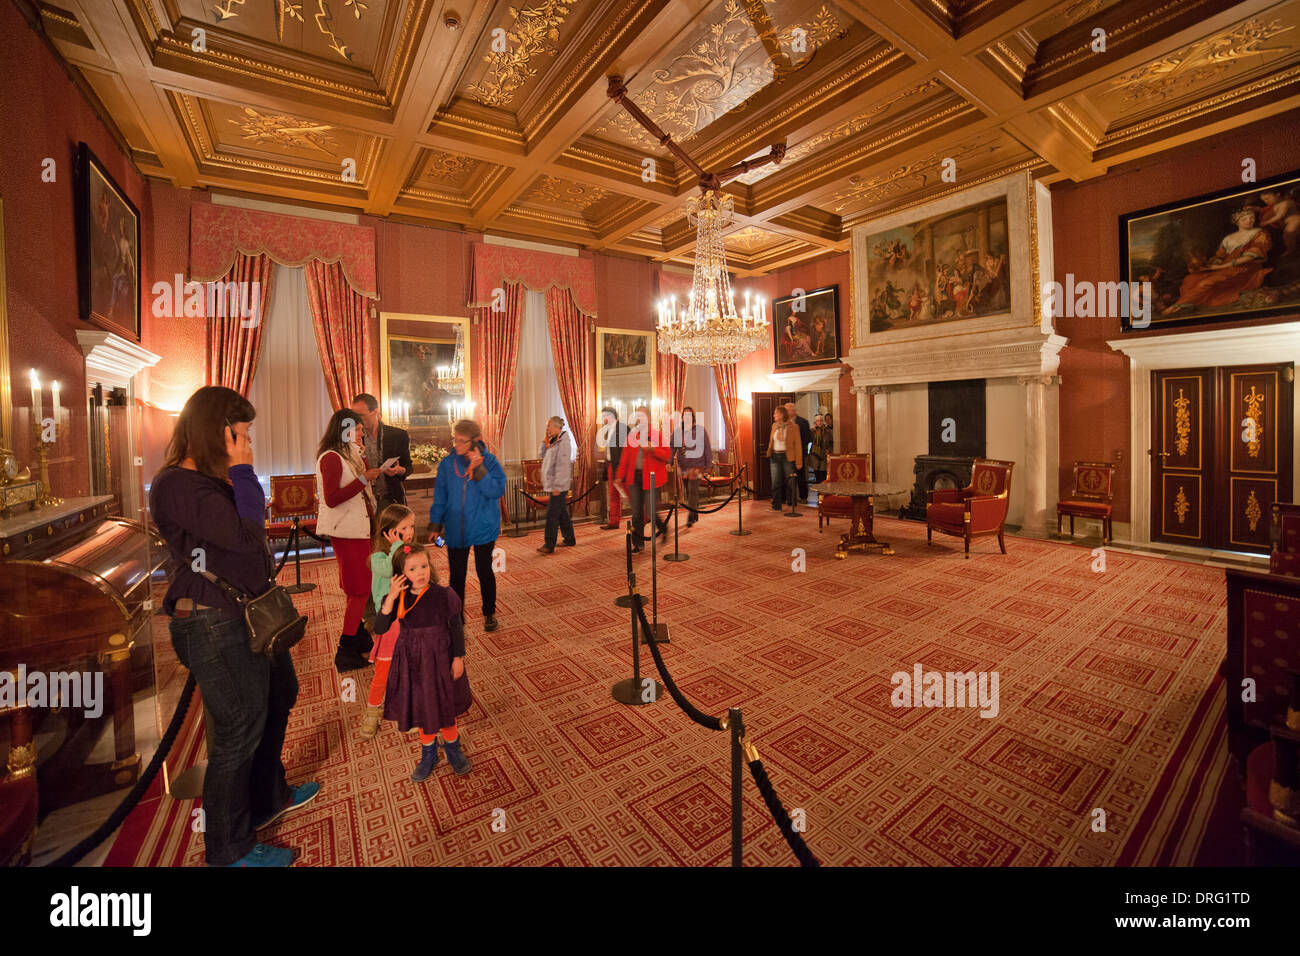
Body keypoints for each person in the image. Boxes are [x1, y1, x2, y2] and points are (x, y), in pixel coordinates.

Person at [150, 385, 318, 868]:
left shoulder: (209, 480)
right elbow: (247, 537)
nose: (248, 441)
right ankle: (228, 849)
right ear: (216, 431)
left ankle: (267, 798)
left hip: (249, 614)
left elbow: (248, 528)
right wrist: (243, 470)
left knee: (279, 697)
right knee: (238, 731)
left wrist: (238, 473)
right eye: (241, 433)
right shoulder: (178, 486)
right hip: (212, 622)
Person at [373, 542, 472, 780]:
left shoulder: (443, 595)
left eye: (424, 566)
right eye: (413, 569)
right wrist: (391, 599)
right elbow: (380, 627)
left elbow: (456, 628)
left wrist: (459, 657)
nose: (420, 573)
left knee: (445, 704)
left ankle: (452, 748)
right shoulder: (397, 599)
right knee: (421, 707)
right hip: (412, 663)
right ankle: (429, 753)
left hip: (441, 658)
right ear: (401, 574)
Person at [429, 419, 506, 632]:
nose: (457, 445)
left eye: (462, 441)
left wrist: (479, 468)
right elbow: (440, 497)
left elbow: (496, 491)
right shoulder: (447, 464)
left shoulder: (489, 461)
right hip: (456, 528)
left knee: (484, 571)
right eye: (456, 440)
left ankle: (489, 612)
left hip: (484, 527)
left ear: (475, 441)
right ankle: (456, 617)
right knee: (457, 575)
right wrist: (435, 524)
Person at [316, 408, 377, 672]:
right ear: (346, 429)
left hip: (358, 529)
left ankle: (358, 635)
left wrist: (361, 459)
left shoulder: (347, 455)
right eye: (359, 428)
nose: (363, 432)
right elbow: (331, 498)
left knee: (361, 586)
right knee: (359, 590)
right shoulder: (330, 458)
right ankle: (345, 648)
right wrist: (364, 478)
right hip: (347, 532)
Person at [360, 504, 415, 741]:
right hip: (389, 621)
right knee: (384, 670)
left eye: (412, 526)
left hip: (409, 618)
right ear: (389, 533)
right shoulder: (378, 557)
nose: (411, 531)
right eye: (404, 528)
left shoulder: (408, 550)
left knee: (410, 667)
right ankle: (373, 711)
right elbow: (388, 568)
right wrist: (396, 547)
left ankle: (408, 710)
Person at [615, 406, 672, 553]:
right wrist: (619, 476)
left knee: (651, 510)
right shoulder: (632, 436)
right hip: (634, 478)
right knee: (636, 513)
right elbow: (625, 458)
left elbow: (667, 455)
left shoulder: (657, 435)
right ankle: (638, 543)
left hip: (652, 479)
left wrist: (652, 449)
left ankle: (664, 529)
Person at [350, 393, 412, 513]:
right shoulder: (351, 437)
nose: (356, 420)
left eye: (360, 416)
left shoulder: (398, 435)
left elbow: (409, 467)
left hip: (391, 499)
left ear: (375, 412)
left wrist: (399, 470)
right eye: (354, 416)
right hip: (362, 501)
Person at [537, 415, 577, 554]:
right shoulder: (553, 440)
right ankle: (569, 538)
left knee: (552, 514)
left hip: (559, 486)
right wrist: (545, 441)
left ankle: (549, 544)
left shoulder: (564, 442)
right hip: (553, 484)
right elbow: (541, 454)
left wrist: (557, 487)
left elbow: (562, 466)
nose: (547, 429)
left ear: (556, 427)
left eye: (549, 426)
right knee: (561, 513)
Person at [672, 406, 712, 528]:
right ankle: (694, 513)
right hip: (684, 466)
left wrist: (708, 465)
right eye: (685, 415)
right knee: (689, 491)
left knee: (692, 491)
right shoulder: (678, 432)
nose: (687, 417)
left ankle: (690, 516)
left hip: (697, 466)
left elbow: (707, 448)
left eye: (689, 415)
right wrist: (668, 462)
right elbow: (672, 448)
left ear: (693, 417)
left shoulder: (701, 430)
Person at [765, 405, 803, 513]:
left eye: (775, 413)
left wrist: (799, 461)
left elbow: (798, 445)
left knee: (790, 481)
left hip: (787, 457)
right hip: (775, 457)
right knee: (775, 482)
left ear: (781, 415)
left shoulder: (794, 427)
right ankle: (776, 506)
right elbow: (771, 441)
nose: (774, 415)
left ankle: (791, 504)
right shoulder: (774, 426)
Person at [597, 406, 629, 530]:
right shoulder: (608, 430)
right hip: (611, 465)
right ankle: (614, 521)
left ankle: (644, 516)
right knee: (613, 494)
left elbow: (626, 450)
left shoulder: (622, 428)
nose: (603, 419)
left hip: (621, 466)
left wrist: (622, 468)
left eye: (604, 416)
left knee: (629, 493)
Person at [785, 402, 814, 503]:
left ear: (793, 411)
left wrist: (797, 445)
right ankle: (790, 498)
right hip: (788, 455)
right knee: (788, 477)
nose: (785, 412)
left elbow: (808, 438)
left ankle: (803, 497)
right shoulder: (784, 422)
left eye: (787, 410)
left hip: (800, 454)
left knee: (801, 477)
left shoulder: (803, 422)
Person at [808, 413, 830, 483]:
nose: (819, 422)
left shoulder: (827, 431)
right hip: (815, 456)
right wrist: (812, 431)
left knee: (823, 477)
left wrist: (828, 450)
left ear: (823, 421)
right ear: (815, 422)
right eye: (818, 421)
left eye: (821, 420)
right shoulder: (812, 431)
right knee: (817, 476)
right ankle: (818, 493)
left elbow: (831, 443)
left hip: (824, 456)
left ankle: (823, 493)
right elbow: (808, 440)